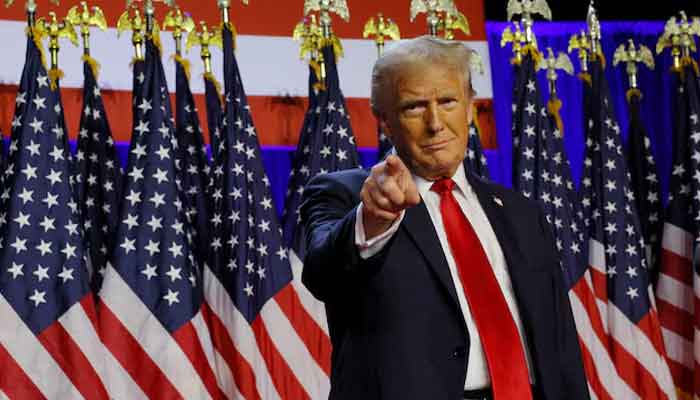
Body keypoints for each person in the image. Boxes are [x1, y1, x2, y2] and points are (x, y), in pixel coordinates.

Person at [300, 35, 589, 400]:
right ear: (384, 121)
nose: (435, 123)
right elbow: (321, 274)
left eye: (448, 101)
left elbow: (559, 344)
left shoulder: (521, 213)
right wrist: (373, 220)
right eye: (414, 107)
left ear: (470, 107)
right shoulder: (346, 195)